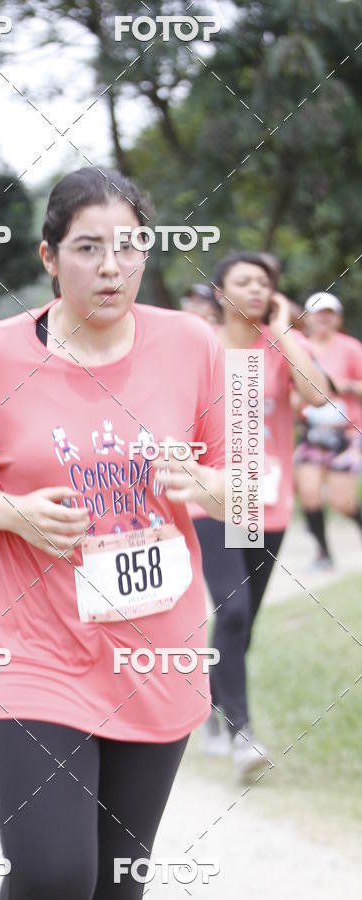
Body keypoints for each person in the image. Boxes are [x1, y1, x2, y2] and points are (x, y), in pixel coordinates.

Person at [0, 166, 227, 900]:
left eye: (128, 246)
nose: (110, 266)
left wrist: (206, 484)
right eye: (87, 248)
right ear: (49, 258)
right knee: (54, 877)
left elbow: (242, 479)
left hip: (158, 656)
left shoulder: (194, 345)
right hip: (38, 656)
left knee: (116, 886)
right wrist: (12, 513)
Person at [193, 252, 331, 777]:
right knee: (230, 612)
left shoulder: (278, 349)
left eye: (263, 283)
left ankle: (211, 704)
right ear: (220, 293)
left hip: (265, 502)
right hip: (210, 499)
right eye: (242, 281)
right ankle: (242, 734)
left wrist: (282, 330)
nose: (254, 289)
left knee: (243, 622)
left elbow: (318, 397)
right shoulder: (200, 347)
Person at [293, 292, 362, 568]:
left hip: (344, 433)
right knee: (308, 492)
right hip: (311, 432)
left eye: (329, 314)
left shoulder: (350, 348)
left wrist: (340, 386)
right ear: (306, 318)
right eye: (318, 314)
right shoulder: (299, 348)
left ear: (337, 318)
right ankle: (323, 552)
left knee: (342, 501)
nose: (324, 320)